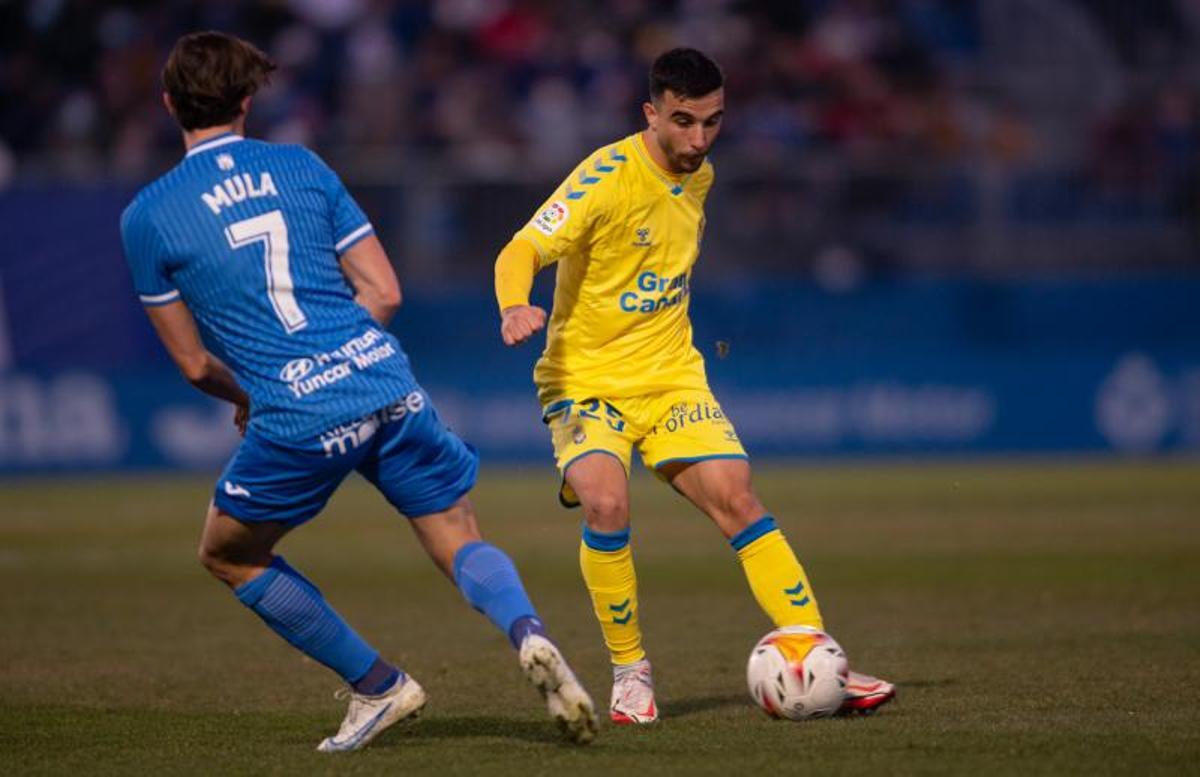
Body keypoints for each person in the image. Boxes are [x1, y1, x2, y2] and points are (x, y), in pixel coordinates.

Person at [120, 31, 596, 752]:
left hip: (297, 410)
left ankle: (379, 686)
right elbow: (385, 290)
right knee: (457, 531)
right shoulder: (303, 166)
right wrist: (342, 353)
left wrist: (253, 391)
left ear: (168, 105)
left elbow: (191, 365)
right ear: (247, 100)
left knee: (229, 552)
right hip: (383, 377)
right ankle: (527, 629)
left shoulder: (148, 216)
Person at [493, 47, 895, 724]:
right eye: (683, 122)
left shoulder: (698, 173)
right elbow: (522, 248)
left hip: (671, 375)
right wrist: (513, 303)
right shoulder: (605, 176)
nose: (698, 139)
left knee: (737, 495)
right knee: (605, 501)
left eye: (712, 122)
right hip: (585, 379)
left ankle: (819, 656)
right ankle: (631, 673)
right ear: (651, 112)